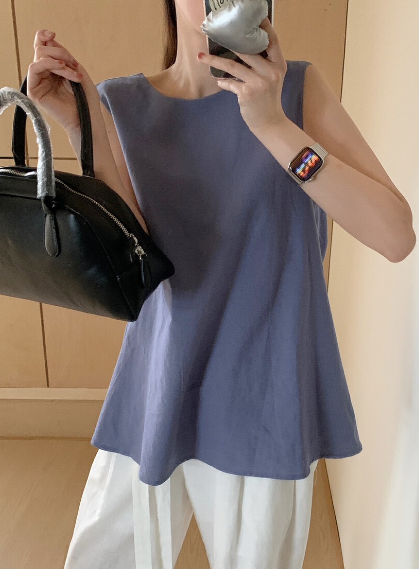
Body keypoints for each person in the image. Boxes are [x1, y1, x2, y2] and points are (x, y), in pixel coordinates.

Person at [27, 1, 415, 568]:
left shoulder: (298, 90)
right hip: (159, 379)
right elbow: (133, 261)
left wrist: (272, 125)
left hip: (266, 394)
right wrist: (80, 124)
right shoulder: (120, 103)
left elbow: (395, 235)